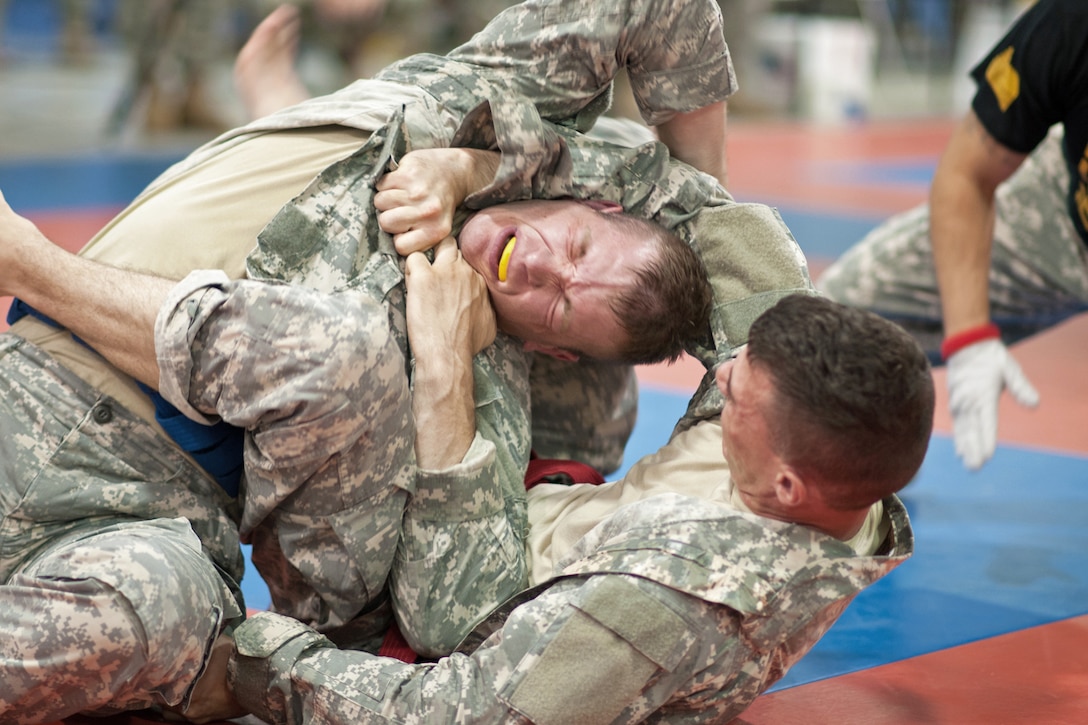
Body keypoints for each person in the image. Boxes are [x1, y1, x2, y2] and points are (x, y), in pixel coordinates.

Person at [0, 0, 817, 720]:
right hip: (36, 380)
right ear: (589, 199)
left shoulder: (459, 371)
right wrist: (693, 194)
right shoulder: (489, 106)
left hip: (129, 486)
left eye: (562, 301)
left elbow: (441, 610)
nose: (538, 265)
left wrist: (445, 377)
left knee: (178, 612)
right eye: (572, 241)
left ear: (549, 347)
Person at [216, 292, 933, 724]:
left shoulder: (664, 602)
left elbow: (450, 713)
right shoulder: (826, 456)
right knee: (584, 280)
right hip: (553, 502)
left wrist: (256, 654)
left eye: (738, 391)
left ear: (785, 488)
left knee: (352, 346)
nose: (719, 374)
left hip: (453, 584)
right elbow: (728, 230)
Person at [819, 0, 1088, 471]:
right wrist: (970, 339)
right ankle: (850, 477)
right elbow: (967, 173)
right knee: (829, 329)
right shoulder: (1072, 22)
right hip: (1067, 221)